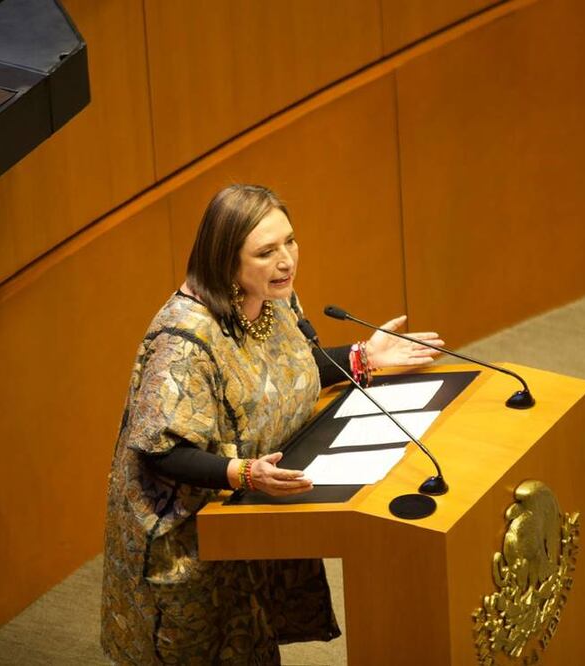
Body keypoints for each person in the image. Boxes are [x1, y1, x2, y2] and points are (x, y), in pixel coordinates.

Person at [100, 184, 445, 664]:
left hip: (250, 513)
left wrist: (364, 355)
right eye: (266, 251)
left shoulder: (271, 297)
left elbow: (282, 375)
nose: (287, 260)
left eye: (290, 241)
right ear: (225, 260)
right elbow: (162, 450)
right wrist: (243, 473)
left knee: (254, 647)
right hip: (187, 536)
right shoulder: (181, 338)